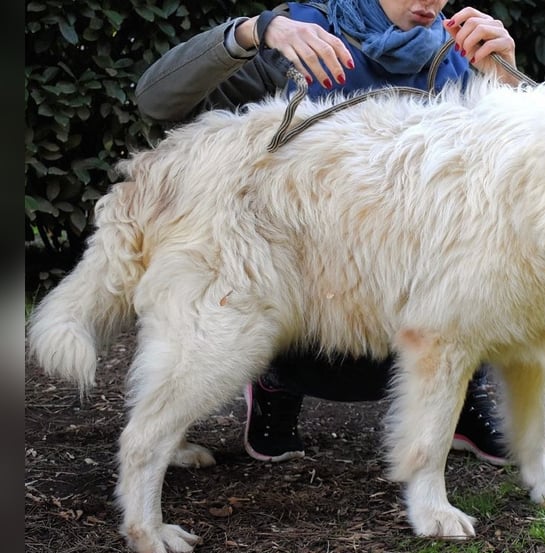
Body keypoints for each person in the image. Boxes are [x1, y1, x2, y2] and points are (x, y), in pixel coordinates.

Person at [135, 0, 521, 467]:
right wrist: (253, 32)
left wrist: (508, 84)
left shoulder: (461, 53)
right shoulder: (302, 33)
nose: (430, 2)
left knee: (501, 252)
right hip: (305, 280)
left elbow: (515, 195)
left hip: (407, 278)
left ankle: (460, 392)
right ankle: (276, 382)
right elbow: (155, 101)